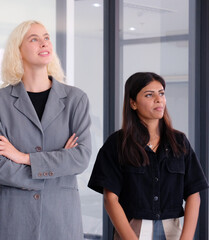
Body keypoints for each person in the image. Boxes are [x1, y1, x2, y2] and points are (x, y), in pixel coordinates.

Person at [0, 20, 92, 240]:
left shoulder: (75, 99)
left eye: (46, 37)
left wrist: (24, 157)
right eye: (34, 39)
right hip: (12, 218)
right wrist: (57, 168)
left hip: (60, 218)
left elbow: (80, 158)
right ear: (18, 51)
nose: (44, 43)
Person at [88, 72, 208, 239]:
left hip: (173, 230)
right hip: (132, 229)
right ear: (133, 103)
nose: (159, 99)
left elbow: (194, 195)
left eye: (161, 93)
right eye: (149, 95)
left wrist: (186, 238)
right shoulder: (117, 143)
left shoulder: (179, 142)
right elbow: (110, 198)